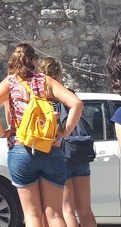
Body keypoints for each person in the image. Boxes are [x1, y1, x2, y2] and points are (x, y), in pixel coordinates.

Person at [0, 43, 84, 227]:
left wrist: (2, 132)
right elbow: (76, 103)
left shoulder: (10, 82)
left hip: (21, 149)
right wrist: (63, 133)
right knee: (55, 214)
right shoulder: (46, 81)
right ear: (34, 61)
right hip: (49, 147)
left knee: (32, 215)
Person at [38, 57, 96, 227]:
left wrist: (62, 134)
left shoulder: (45, 99)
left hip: (61, 154)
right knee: (85, 209)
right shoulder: (69, 93)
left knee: (67, 210)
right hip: (80, 150)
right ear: (60, 74)